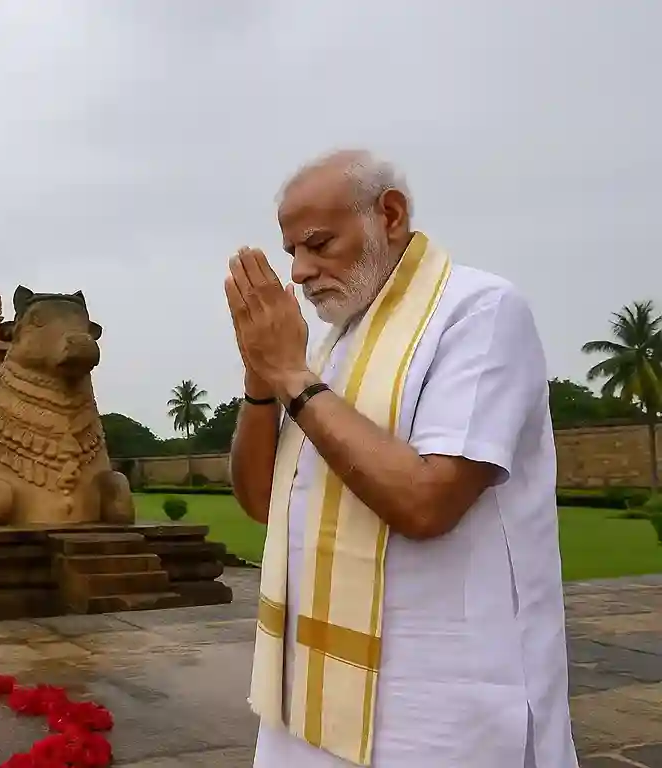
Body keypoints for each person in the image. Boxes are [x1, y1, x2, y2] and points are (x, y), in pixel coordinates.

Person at [226, 149, 578, 768]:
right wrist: (262, 380)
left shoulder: (479, 311)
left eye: (318, 243)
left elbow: (426, 502)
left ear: (388, 214)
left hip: (438, 693)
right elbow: (261, 502)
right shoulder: (331, 346)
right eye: (293, 254)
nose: (301, 272)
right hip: (309, 681)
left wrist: (290, 373)